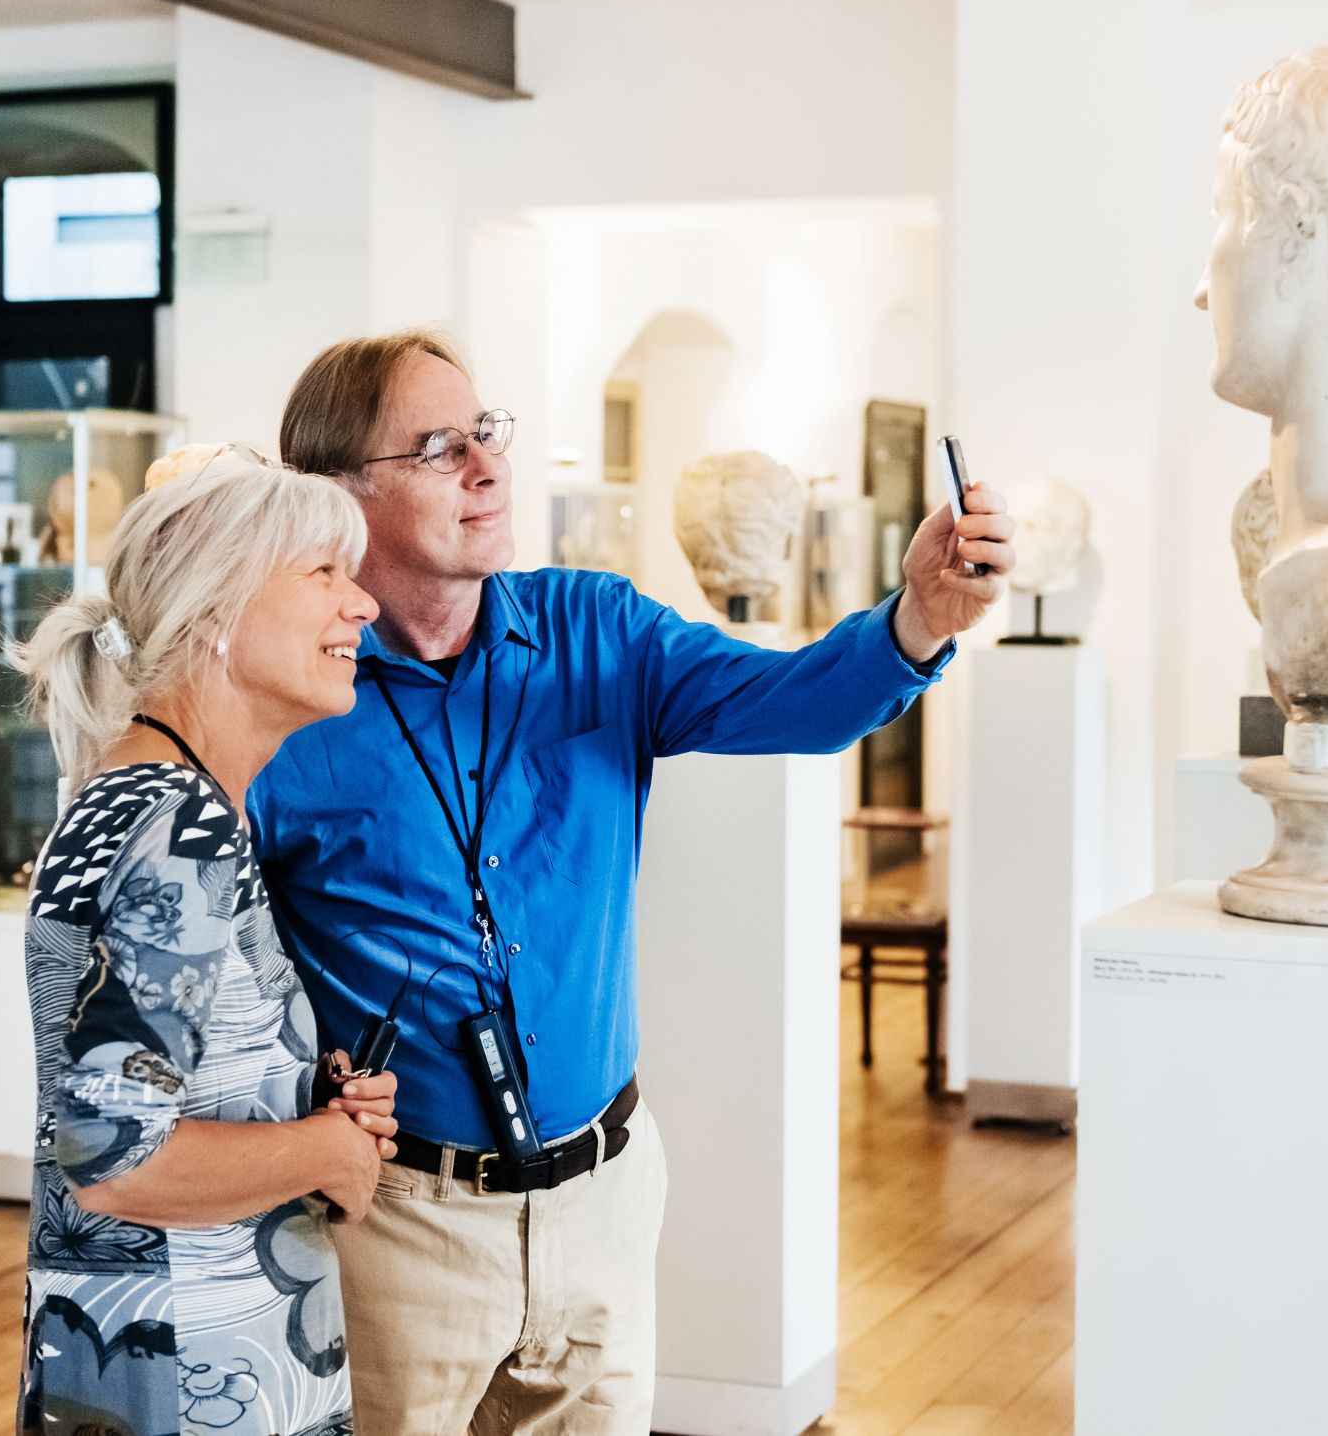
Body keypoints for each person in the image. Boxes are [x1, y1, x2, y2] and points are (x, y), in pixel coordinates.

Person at [249, 329, 1012, 1436]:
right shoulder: (291, 697)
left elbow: (795, 697)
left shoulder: (596, 629)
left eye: (487, 432)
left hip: (603, 1195)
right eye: (438, 446)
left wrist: (919, 619)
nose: (487, 465)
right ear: (337, 494)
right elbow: (221, 954)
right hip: (398, 1218)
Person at [10, 449, 404, 1436]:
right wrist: (325, 1148)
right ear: (216, 609)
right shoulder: (173, 826)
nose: (363, 605)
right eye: (324, 572)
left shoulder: (147, 801)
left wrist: (297, 1107)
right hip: (192, 1374)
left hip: (158, 1353)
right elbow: (114, 1158)